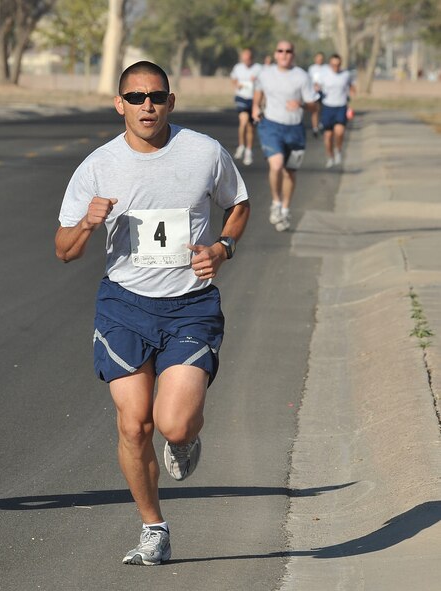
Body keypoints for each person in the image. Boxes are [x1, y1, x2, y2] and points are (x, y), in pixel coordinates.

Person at [55, 61, 249, 566]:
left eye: (157, 96)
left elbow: (239, 204)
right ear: (119, 103)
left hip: (190, 306)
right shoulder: (98, 165)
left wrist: (223, 248)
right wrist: (87, 225)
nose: (147, 105)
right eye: (136, 97)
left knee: (175, 425)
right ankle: (153, 527)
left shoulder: (205, 152)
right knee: (134, 425)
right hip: (124, 305)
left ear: (171, 101)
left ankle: (185, 442)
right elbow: (63, 249)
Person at [252, 40, 318, 232]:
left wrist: (301, 105)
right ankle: (276, 203)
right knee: (277, 164)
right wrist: (256, 107)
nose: (284, 54)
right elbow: (258, 92)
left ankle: (286, 208)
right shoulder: (265, 74)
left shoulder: (302, 77)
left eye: (288, 51)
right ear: (275, 54)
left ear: (293, 55)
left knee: (290, 172)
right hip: (271, 126)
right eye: (280, 50)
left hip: (295, 129)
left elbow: (313, 105)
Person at [319, 54, 356, 168]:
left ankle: (338, 150)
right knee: (328, 136)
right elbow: (316, 88)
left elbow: (351, 87)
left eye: (338, 64)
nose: (336, 67)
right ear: (330, 64)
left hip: (341, 106)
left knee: (339, 132)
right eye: (333, 65)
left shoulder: (346, 74)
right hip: (327, 107)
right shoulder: (324, 75)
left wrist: (351, 102)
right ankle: (330, 156)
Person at [230, 48, 262, 166]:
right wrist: (237, 84)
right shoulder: (238, 67)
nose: (246, 61)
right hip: (241, 97)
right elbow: (233, 79)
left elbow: (263, 84)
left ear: (252, 58)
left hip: (253, 99)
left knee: (250, 127)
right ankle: (241, 145)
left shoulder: (258, 68)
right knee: (243, 122)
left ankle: (249, 150)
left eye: (248, 59)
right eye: (244, 59)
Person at [307, 52, 327, 137]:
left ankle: (321, 124)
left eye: (321, 59)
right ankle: (315, 128)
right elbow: (308, 80)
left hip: (324, 91)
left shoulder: (326, 68)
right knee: (315, 110)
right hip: (314, 92)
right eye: (318, 58)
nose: (319, 60)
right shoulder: (311, 68)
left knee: (323, 109)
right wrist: (314, 85)